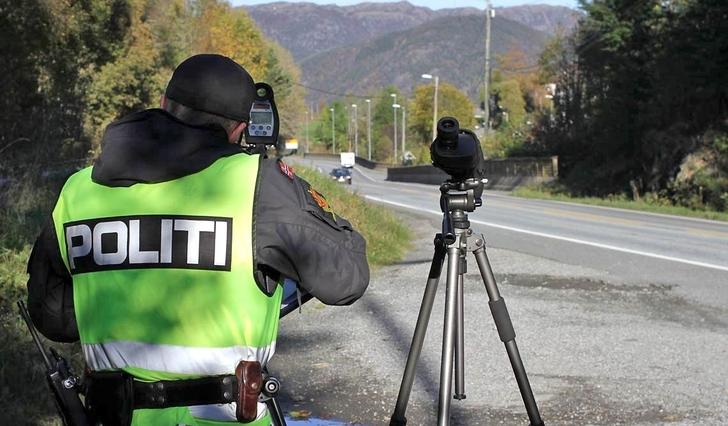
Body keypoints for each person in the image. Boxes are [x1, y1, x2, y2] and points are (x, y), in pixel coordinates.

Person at [26, 54, 369, 425]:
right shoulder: (257, 183)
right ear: (239, 129)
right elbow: (346, 279)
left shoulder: (79, 190)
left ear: (162, 105)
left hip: (112, 416)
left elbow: (53, 318)